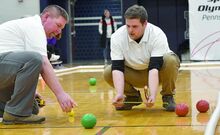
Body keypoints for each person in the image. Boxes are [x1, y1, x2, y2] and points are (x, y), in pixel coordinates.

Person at [0, 5, 77, 124]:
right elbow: (43, 64)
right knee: (36, 59)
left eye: (61, 28)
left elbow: (20, 66)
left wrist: (30, 91)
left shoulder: (29, 27)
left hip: (3, 71)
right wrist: (61, 94)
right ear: (46, 17)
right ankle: (14, 114)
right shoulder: (34, 26)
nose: (59, 32)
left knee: (31, 109)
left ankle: (12, 112)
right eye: (58, 25)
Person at [103, 5, 180, 112]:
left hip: (158, 73)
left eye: (135, 26)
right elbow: (117, 68)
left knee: (170, 60)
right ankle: (132, 97)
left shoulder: (157, 34)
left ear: (145, 24)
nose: (130, 30)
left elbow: (154, 68)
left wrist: (152, 95)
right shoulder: (117, 37)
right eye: (128, 26)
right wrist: (119, 93)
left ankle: (168, 97)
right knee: (108, 72)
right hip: (134, 74)